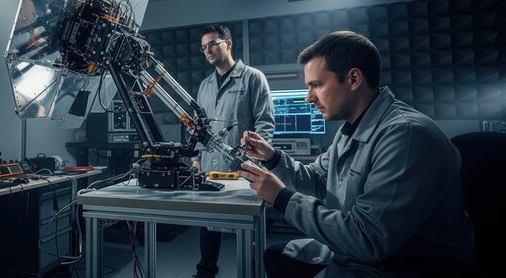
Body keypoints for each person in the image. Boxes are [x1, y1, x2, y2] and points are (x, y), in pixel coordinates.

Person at [238, 31, 476, 277]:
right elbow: (319, 180)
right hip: (370, 253)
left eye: (317, 85)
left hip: (406, 264)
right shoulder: (350, 128)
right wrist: (273, 157)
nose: (309, 98)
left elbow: (368, 239)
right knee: (277, 255)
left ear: (353, 79)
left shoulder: (406, 135)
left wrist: (282, 198)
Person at [192, 24, 275, 278]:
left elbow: (265, 124)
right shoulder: (204, 86)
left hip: (243, 169)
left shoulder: (253, 77)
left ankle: (250, 272)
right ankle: (206, 272)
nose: (208, 50)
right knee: (208, 227)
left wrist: (254, 161)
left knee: (246, 228)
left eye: (213, 44)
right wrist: (196, 158)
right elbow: (198, 128)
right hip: (209, 168)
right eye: (204, 47)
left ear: (228, 44)